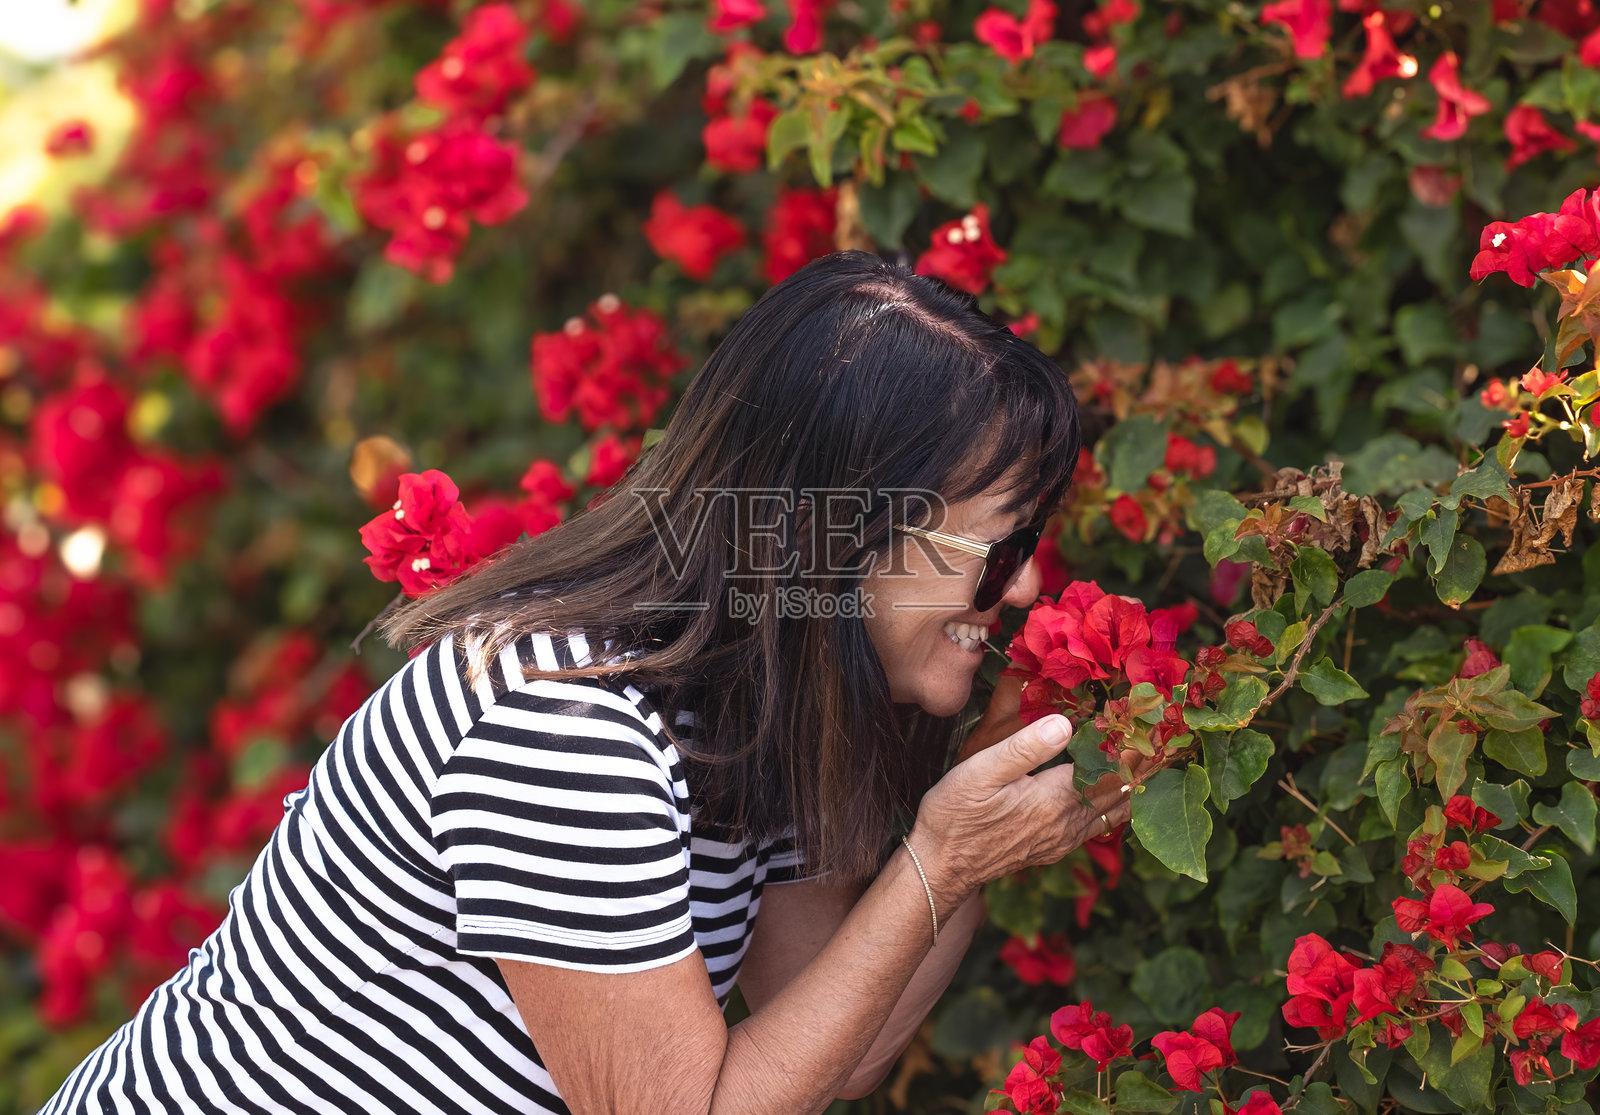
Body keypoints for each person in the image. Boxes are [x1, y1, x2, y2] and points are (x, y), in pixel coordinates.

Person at [41, 251, 1131, 1115]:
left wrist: (981, 829)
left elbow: (835, 1043)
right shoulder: (567, 725)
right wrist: (942, 854)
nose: (1029, 580)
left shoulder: (755, 706)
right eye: (999, 543)